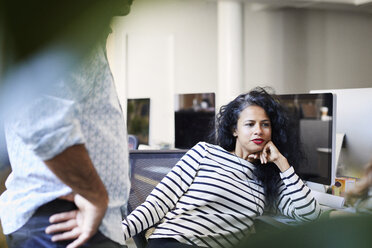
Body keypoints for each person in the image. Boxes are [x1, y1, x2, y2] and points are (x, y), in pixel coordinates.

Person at [120, 87, 321, 248]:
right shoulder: (205, 153)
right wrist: (114, 236)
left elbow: (309, 214)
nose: (258, 131)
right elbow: (157, 204)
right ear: (234, 129)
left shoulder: (268, 179)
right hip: (174, 242)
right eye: (250, 124)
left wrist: (282, 163)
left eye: (265, 124)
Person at [0, 9, 132, 248]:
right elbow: (38, 114)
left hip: (74, 219)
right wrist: (94, 195)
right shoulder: (69, 29)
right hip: (64, 219)